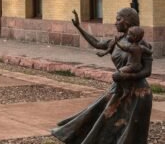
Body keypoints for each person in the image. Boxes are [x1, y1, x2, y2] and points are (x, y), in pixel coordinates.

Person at [51, 8, 153, 144]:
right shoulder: (117, 41)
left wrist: (125, 77)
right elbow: (96, 43)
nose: (115, 23)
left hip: (138, 93)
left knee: (131, 133)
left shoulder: (142, 45)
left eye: (118, 19)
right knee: (97, 114)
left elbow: (147, 71)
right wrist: (78, 27)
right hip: (118, 88)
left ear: (128, 22)